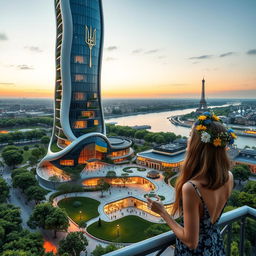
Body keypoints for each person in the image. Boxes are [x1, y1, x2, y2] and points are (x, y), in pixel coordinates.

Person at [147, 112, 236, 255]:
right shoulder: (229, 177)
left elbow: (191, 241)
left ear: (197, 144)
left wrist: (163, 212)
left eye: (190, 135)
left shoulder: (192, 188)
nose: (187, 139)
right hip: (215, 246)